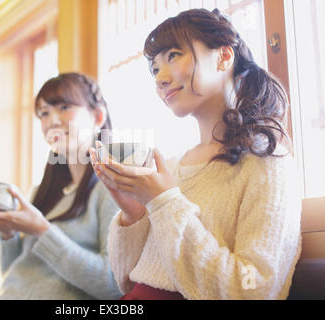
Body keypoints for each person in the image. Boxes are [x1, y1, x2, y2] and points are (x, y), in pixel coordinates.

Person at [89, 8, 302, 300]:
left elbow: (253, 290)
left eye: (173, 55)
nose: (160, 78)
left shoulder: (268, 162)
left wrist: (163, 202)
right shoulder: (174, 166)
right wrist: (133, 213)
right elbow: (124, 280)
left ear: (224, 57)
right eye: (154, 69)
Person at [0, 72, 122, 300]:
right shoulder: (43, 191)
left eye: (64, 107)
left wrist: (42, 230)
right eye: (43, 113)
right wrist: (7, 231)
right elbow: (15, 272)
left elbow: (112, 284)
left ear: (98, 116)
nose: (51, 121)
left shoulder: (114, 187)